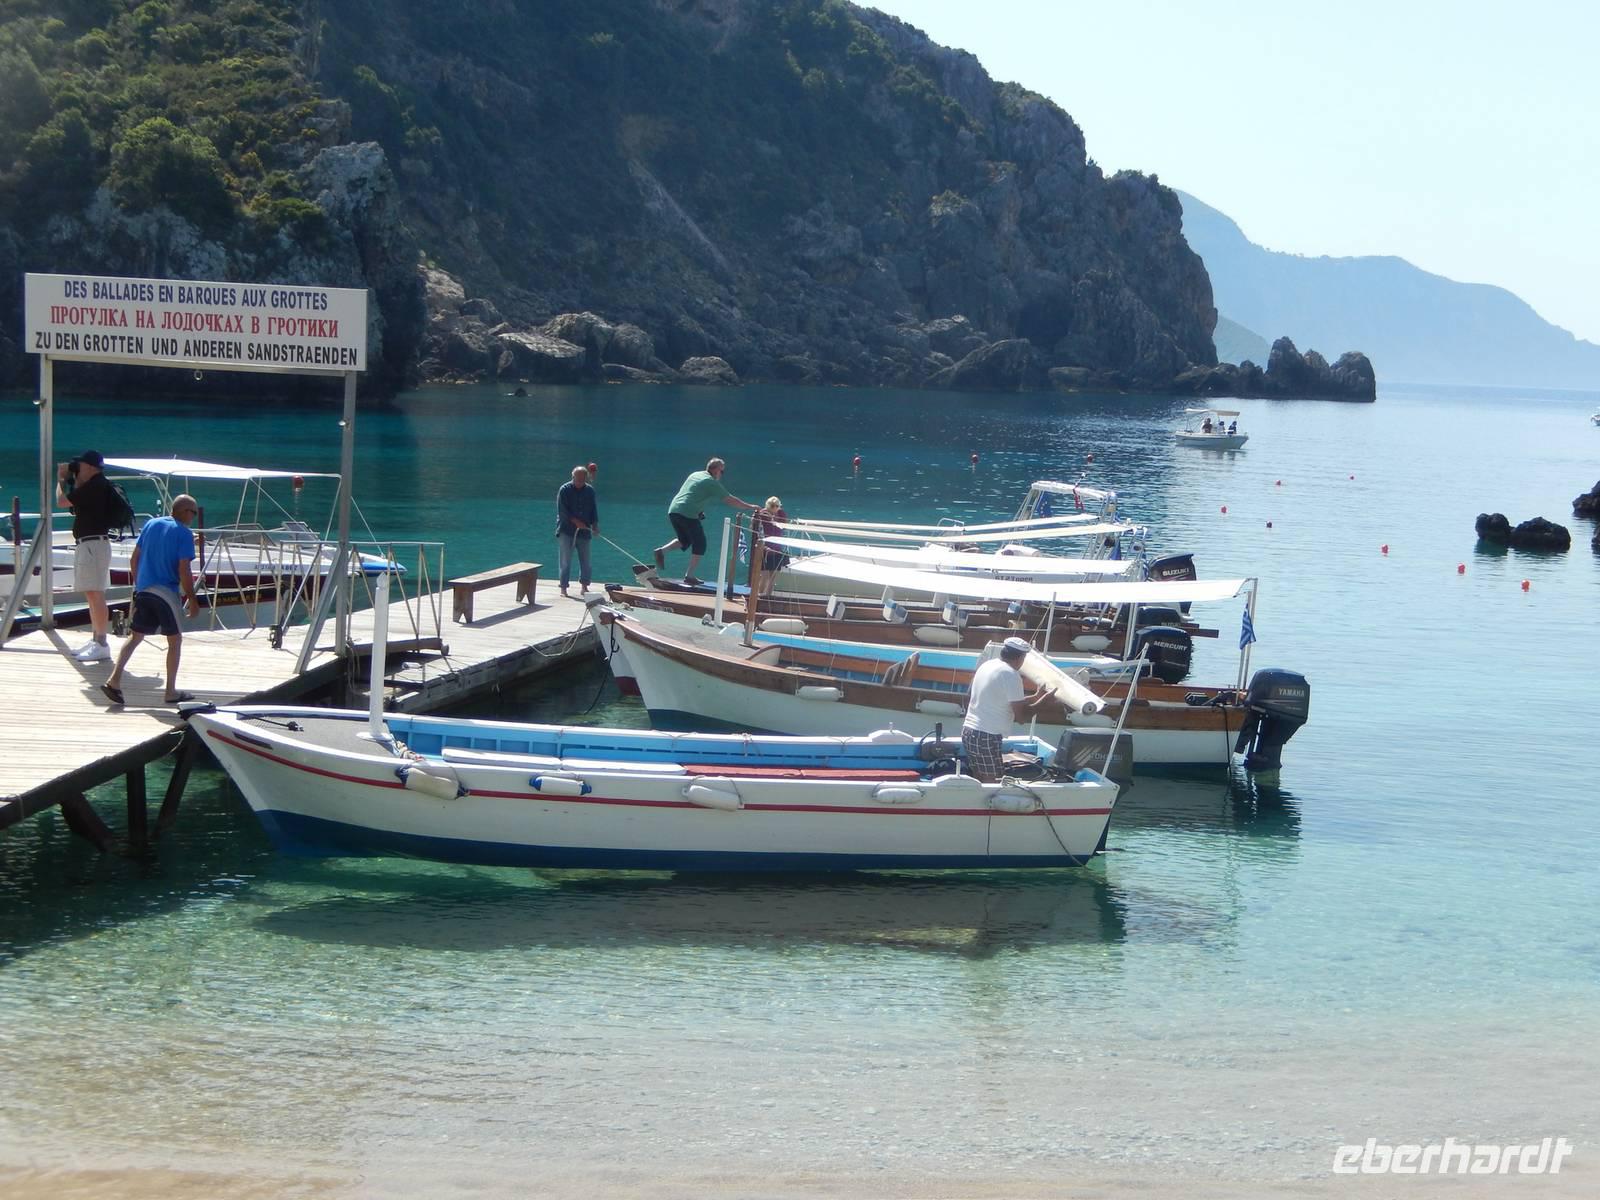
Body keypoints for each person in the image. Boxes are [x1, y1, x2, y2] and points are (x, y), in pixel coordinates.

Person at [101, 495, 201, 707]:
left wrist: (139, 586)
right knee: (175, 641)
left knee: (135, 637)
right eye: (193, 512)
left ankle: (114, 680)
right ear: (185, 512)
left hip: (144, 590)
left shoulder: (151, 524)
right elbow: (184, 569)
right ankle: (170, 692)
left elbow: (134, 558)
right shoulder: (184, 533)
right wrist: (192, 599)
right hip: (165, 592)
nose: (194, 516)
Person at [961, 636, 1056, 782]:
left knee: (982, 779)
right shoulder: (1011, 675)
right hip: (986, 736)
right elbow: (1021, 718)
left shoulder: (989, 665)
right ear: (1021, 657)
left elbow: (1003, 701)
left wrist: (1036, 697)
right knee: (993, 782)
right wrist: (1044, 702)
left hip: (970, 731)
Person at [651, 457, 758, 585]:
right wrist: (751, 507)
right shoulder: (710, 482)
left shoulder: (696, 474)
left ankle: (661, 551)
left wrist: (699, 511)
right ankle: (689, 576)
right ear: (715, 470)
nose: (722, 474)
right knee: (700, 544)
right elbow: (730, 500)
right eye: (722, 471)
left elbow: (691, 493)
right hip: (687, 513)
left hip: (674, 511)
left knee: (685, 540)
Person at [56, 449, 115, 660]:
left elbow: (62, 502)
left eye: (80, 465)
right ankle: (95, 640)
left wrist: (61, 480)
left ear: (90, 467)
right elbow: (78, 503)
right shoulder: (93, 485)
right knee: (91, 594)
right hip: (89, 544)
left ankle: (102, 643)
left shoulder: (98, 485)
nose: (76, 468)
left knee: (95, 593)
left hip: (93, 545)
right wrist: (75, 478)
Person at [554, 464, 598, 596]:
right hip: (566, 530)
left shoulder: (590, 491)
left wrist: (595, 525)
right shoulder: (564, 490)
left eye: (581, 479)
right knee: (565, 560)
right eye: (576, 479)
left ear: (586, 478)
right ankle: (563, 588)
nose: (578, 481)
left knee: (586, 560)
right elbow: (562, 512)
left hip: (584, 531)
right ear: (572, 477)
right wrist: (576, 521)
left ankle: (584, 587)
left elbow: (593, 510)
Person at [754, 496, 789, 596]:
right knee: (764, 575)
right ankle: (759, 596)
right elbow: (755, 528)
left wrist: (774, 518)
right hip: (765, 548)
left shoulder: (781, 513)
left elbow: (784, 525)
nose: (775, 508)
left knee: (773, 576)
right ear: (768, 505)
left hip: (777, 548)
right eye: (772, 506)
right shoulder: (762, 514)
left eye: (777, 506)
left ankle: (768, 596)